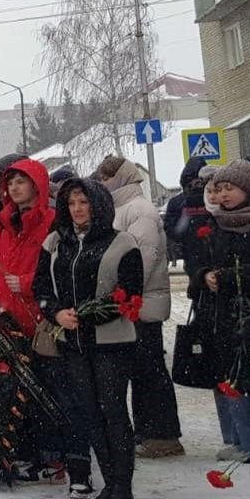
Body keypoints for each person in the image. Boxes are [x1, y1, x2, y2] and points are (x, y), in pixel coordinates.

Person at [33, 178, 144, 499]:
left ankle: (123, 489)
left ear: (98, 205)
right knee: (89, 414)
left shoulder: (122, 243)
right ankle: (109, 484)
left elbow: (129, 292)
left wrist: (86, 315)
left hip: (110, 343)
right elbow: (40, 285)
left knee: (112, 412)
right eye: (72, 204)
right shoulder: (54, 243)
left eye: (84, 203)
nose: (78, 210)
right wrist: (55, 313)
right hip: (72, 343)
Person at [0, 159, 65, 486]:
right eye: (10, 183)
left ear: (37, 185)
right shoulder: (3, 223)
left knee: (46, 391)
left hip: (38, 318)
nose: (13, 188)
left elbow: (57, 267)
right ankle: (24, 453)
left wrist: (26, 282)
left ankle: (54, 455)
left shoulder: (52, 221)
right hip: (6, 318)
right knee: (14, 393)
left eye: (21, 182)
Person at [192, 161, 250, 473]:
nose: (223, 195)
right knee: (232, 377)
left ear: (247, 189)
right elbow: (196, 264)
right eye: (218, 189)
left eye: (230, 188)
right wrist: (205, 275)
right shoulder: (216, 225)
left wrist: (240, 276)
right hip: (222, 314)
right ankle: (247, 445)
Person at [96, 156, 181, 458]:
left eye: (106, 177)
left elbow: (143, 257)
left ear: (120, 178)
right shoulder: (118, 208)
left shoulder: (139, 209)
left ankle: (163, 434)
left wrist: (121, 290)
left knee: (149, 369)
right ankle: (146, 431)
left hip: (141, 303)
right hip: (128, 302)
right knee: (138, 370)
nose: (102, 183)